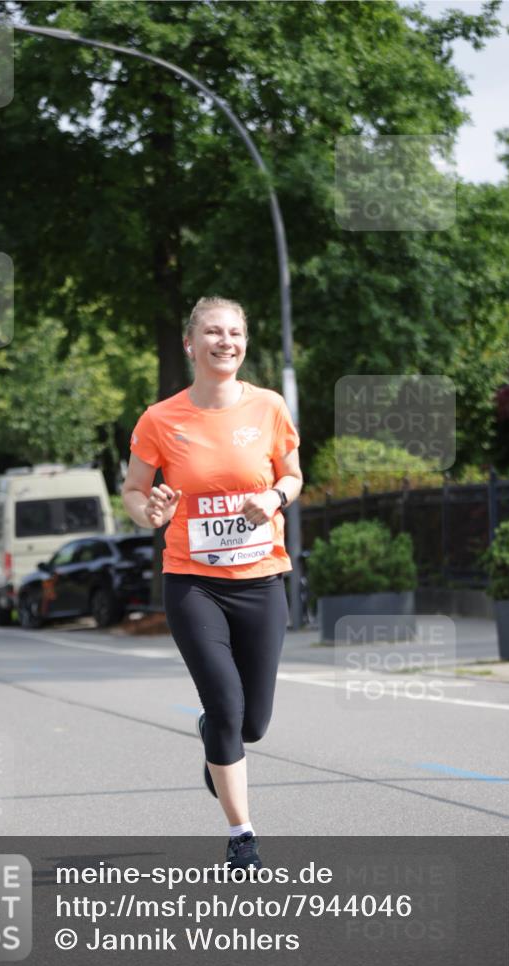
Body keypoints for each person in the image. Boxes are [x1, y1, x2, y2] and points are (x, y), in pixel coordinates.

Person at [122, 296, 302, 872]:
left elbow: (294, 476)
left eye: (235, 333)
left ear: (244, 342)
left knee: (253, 723)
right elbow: (133, 491)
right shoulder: (160, 419)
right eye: (213, 332)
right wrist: (147, 511)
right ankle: (241, 834)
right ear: (190, 344)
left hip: (261, 578)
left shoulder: (269, 407)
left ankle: (215, 740)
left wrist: (272, 497)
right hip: (194, 582)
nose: (226, 341)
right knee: (226, 707)